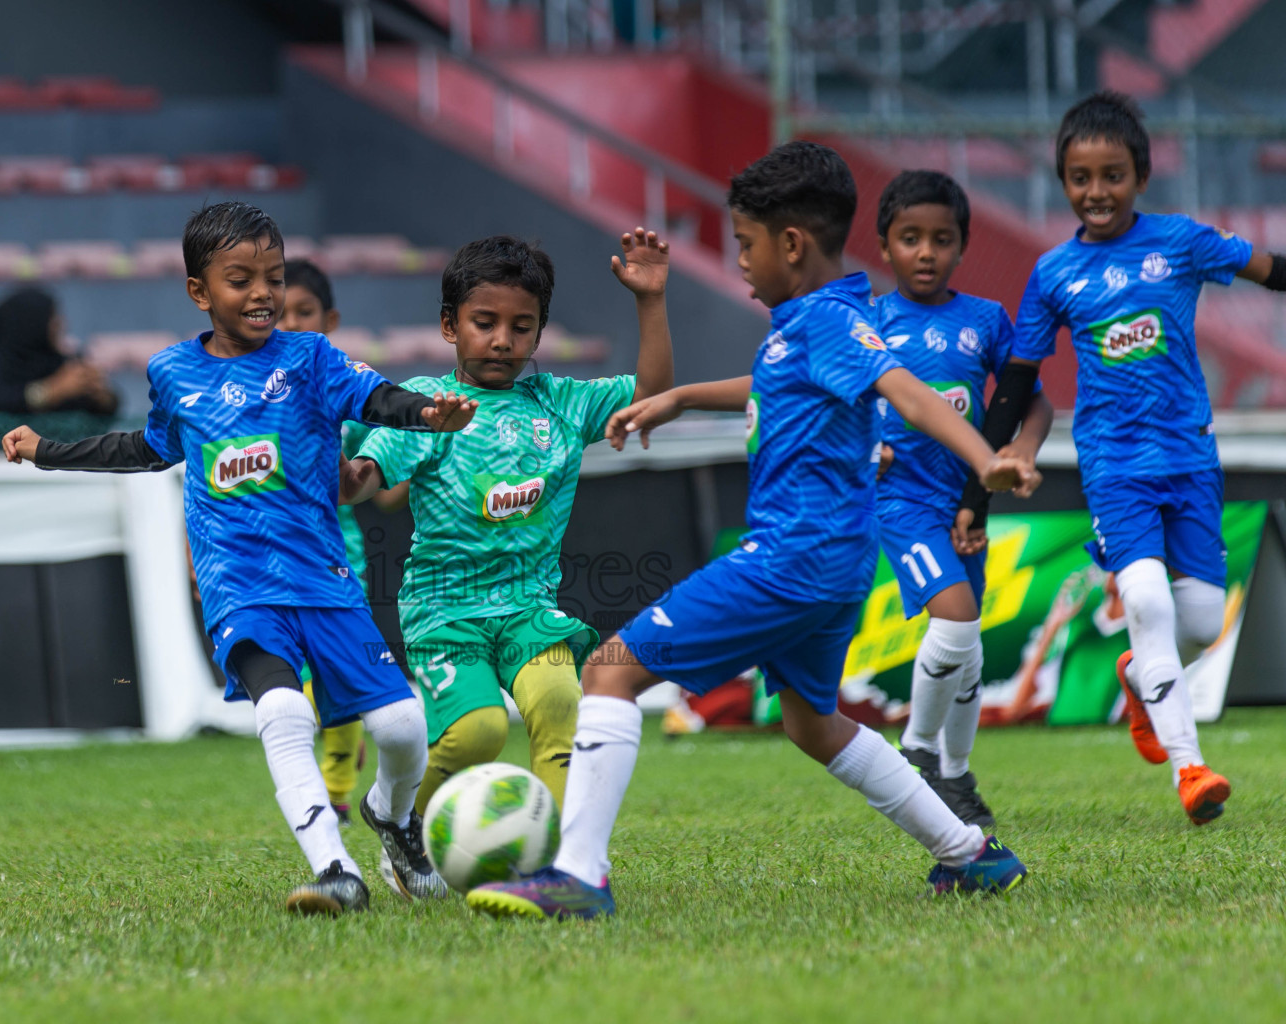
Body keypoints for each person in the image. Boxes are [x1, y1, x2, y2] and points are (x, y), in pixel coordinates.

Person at [466, 142, 1034, 921]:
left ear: (790, 245)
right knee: (811, 722)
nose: (739, 260)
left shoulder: (832, 322)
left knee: (608, 673)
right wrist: (679, 397)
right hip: (831, 564)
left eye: (744, 243)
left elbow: (907, 392)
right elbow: (774, 382)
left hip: (790, 559)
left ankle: (578, 874)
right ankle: (971, 854)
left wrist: (986, 458)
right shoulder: (813, 318)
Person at [0, 201, 478, 915]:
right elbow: (151, 447)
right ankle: (337, 871)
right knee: (284, 710)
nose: (262, 292)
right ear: (200, 292)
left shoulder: (311, 358)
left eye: (273, 277)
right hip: (240, 587)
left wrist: (425, 412)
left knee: (403, 727)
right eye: (240, 278)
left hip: (324, 580)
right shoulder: (173, 372)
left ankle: (392, 818)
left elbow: (376, 396)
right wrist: (50, 453)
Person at [972, 91, 1286, 826]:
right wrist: (979, 477)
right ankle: (1191, 771)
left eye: (1112, 175)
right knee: (1145, 601)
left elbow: (1271, 270)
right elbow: (1018, 380)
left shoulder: (1181, 241)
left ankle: (1141, 677)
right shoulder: (1053, 275)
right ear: (1063, 183)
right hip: (1114, 468)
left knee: (1203, 621)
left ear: (1140, 176)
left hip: (1191, 462)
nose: (1096, 192)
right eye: (1080, 178)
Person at [341, 230, 672, 846]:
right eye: (484, 322)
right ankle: (397, 814)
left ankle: (561, 863)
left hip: (529, 610)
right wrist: (323, 460)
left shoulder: (563, 405)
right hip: (444, 613)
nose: (502, 340)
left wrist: (649, 300)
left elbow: (651, 394)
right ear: (449, 326)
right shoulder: (425, 410)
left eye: (522, 327)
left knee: (558, 706)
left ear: (540, 334)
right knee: (478, 733)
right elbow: (359, 483)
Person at [870, 169, 1054, 828]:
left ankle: (955, 772)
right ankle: (918, 751)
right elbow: (833, 411)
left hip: (967, 506)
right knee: (954, 620)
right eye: (910, 238)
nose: (926, 252)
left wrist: (1019, 454)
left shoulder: (985, 321)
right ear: (884, 246)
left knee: (968, 648)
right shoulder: (868, 324)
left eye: (941, 239)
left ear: (961, 247)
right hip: (902, 505)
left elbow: (1031, 403)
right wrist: (869, 450)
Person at [277, 256, 407, 827]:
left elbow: (377, 492)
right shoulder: (244, 393)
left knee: (337, 674)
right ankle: (329, 766)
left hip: (335, 559)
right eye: (281, 315)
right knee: (298, 680)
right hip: (270, 562)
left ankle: (333, 791)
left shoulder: (345, 392)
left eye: (304, 313)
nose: (291, 324)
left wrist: (419, 458)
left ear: (328, 319)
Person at [0, 286, 119, 416]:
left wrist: (101, 395)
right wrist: (49, 391)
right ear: (28, 323)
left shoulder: (59, 360)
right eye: (51, 317)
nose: (60, 324)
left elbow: (108, 404)